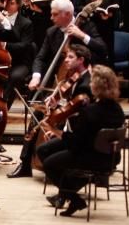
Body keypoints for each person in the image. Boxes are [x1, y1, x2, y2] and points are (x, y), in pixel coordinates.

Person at [42, 65, 125, 217]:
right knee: (58, 158)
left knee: (49, 164)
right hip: (111, 159)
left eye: (92, 82)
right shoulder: (118, 109)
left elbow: (76, 144)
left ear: (96, 86)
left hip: (90, 158)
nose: (90, 84)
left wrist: (55, 131)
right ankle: (69, 195)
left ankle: (75, 200)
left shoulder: (90, 112)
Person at [9, 43, 93, 180]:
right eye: (66, 57)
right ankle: (25, 163)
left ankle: (54, 167)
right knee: (38, 113)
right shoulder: (77, 77)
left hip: (76, 127)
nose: (66, 59)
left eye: (71, 57)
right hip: (70, 116)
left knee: (48, 120)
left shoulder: (85, 84)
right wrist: (57, 103)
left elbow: (77, 109)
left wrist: (56, 112)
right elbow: (71, 102)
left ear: (81, 60)